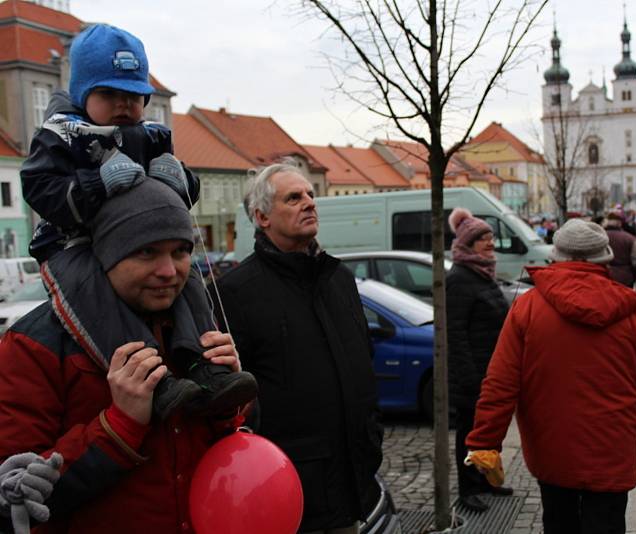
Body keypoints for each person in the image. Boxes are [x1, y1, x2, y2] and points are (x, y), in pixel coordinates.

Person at [20, 23, 256, 420]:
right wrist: (96, 183)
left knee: (190, 284)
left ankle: (205, 366)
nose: (123, 105)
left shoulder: (150, 135)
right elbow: (39, 188)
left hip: (145, 244)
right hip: (73, 245)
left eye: (133, 95)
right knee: (94, 299)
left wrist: (181, 180)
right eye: (108, 94)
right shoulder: (62, 134)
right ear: (82, 94)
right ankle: (153, 380)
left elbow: (179, 192)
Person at [0, 180, 249, 533]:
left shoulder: (194, 326)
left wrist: (228, 408)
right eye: (147, 252)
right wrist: (119, 426)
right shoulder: (33, 344)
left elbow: (226, 457)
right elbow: (13, 503)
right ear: (106, 256)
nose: (170, 270)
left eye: (180, 251)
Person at [466, 218, 636, 534]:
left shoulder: (528, 309)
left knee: (559, 521)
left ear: (556, 255)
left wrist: (485, 441)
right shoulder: (631, 311)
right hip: (612, 448)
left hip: (551, 446)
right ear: (603, 256)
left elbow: (501, 382)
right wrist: (632, 417)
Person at [212, 164, 383, 534]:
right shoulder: (234, 293)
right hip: (289, 487)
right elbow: (230, 404)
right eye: (293, 198)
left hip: (354, 479)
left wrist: (371, 435)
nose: (309, 203)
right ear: (262, 217)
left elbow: (361, 362)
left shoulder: (340, 279)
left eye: (309, 194)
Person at [445, 208, 511, 513]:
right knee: (469, 433)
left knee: (487, 430)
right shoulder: (459, 278)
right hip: (473, 376)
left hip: (491, 372)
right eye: (482, 238)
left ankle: (484, 479)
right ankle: (467, 488)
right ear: (467, 244)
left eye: (491, 237)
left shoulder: (482, 272)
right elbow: (454, 334)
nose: (490, 243)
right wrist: (471, 378)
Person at [604, 211, 636, 287]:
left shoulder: (599, 237)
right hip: (625, 278)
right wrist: (633, 276)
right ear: (620, 223)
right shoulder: (630, 238)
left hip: (604, 277)